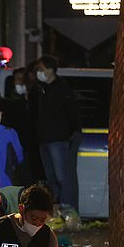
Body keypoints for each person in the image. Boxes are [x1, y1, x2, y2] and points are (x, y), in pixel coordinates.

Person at [29, 54, 81, 209]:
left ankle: (67, 210)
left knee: (62, 177)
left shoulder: (61, 89)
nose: (38, 72)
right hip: (44, 139)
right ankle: (56, 209)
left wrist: (72, 133)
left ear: (51, 70)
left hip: (58, 138)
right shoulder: (40, 90)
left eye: (41, 69)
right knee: (51, 178)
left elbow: (71, 114)